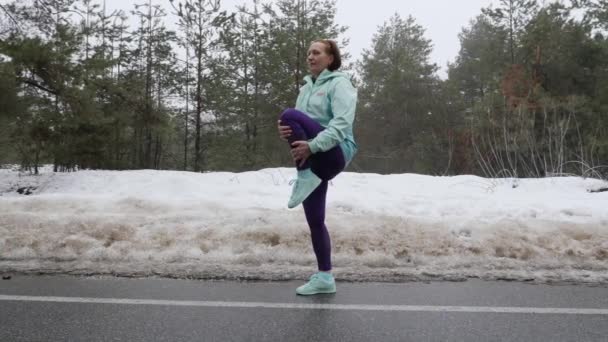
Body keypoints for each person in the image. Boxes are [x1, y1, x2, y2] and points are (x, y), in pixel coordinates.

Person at [277, 39, 358, 295]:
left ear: (330, 58)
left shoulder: (339, 84)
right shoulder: (305, 88)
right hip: (315, 159)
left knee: (289, 113)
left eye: (317, 52)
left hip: (336, 151)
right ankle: (325, 277)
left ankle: (304, 174)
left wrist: (312, 146)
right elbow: (301, 127)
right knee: (315, 220)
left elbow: (342, 125)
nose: (310, 57)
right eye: (308, 53)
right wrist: (287, 131)